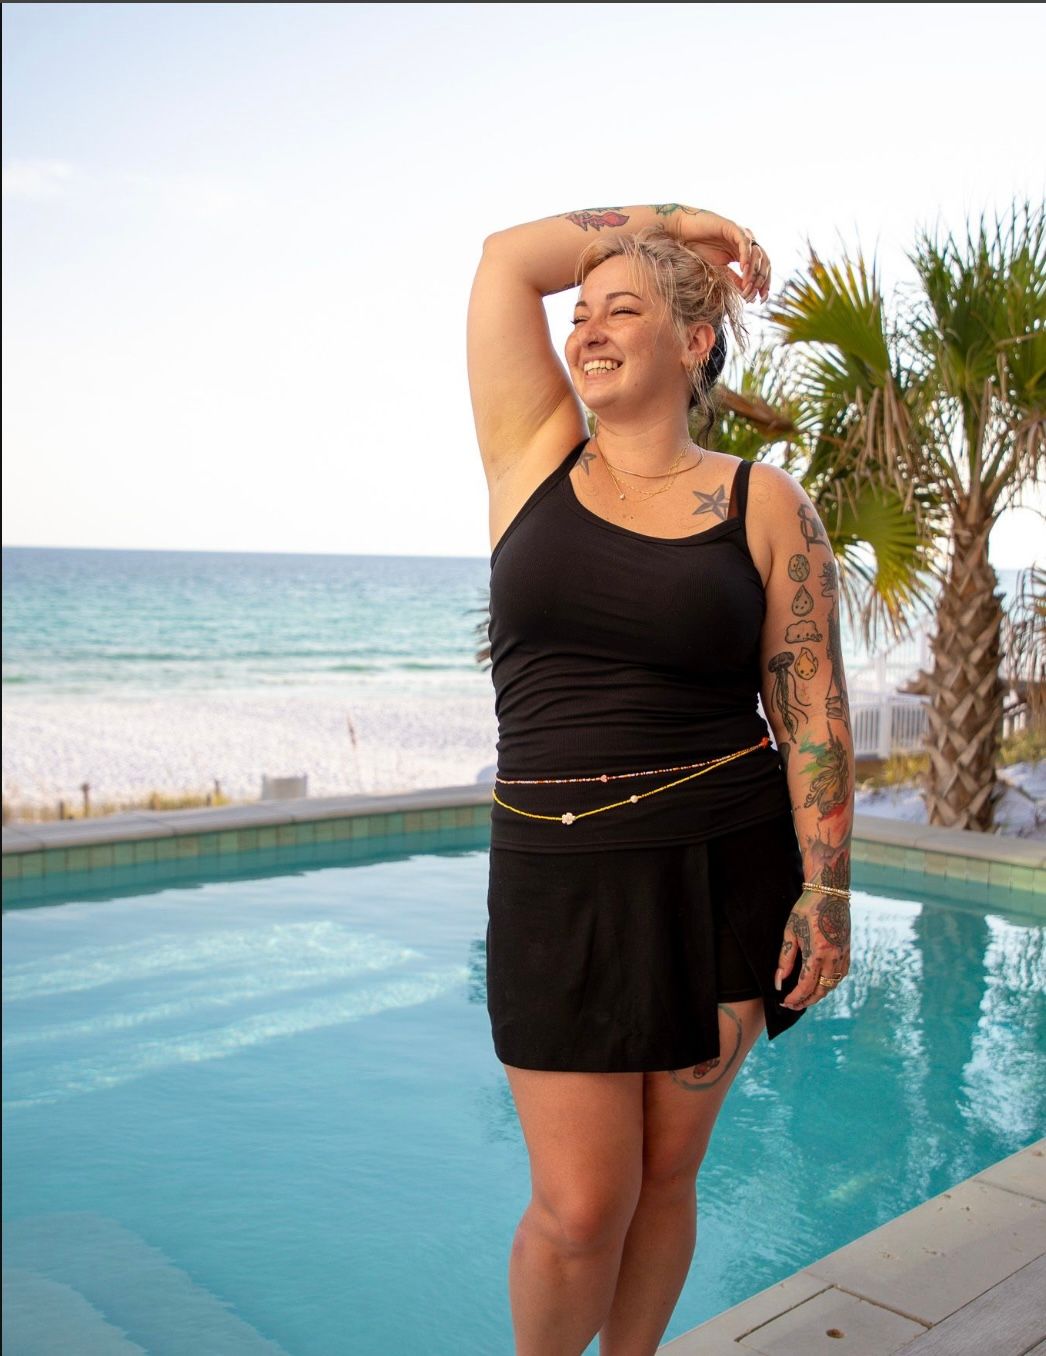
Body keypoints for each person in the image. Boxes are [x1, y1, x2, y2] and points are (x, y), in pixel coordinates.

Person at [467, 202, 855, 1356]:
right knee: (578, 1204)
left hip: (719, 863)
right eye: (579, 313)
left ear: (694, 344)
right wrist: (683, 220)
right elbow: (506, 260)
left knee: (667, 1172)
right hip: (554, 874)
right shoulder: (531, 448)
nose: (585, 327)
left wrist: (825, 891)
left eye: (620, 309)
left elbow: (812, 711)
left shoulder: (764, 501)